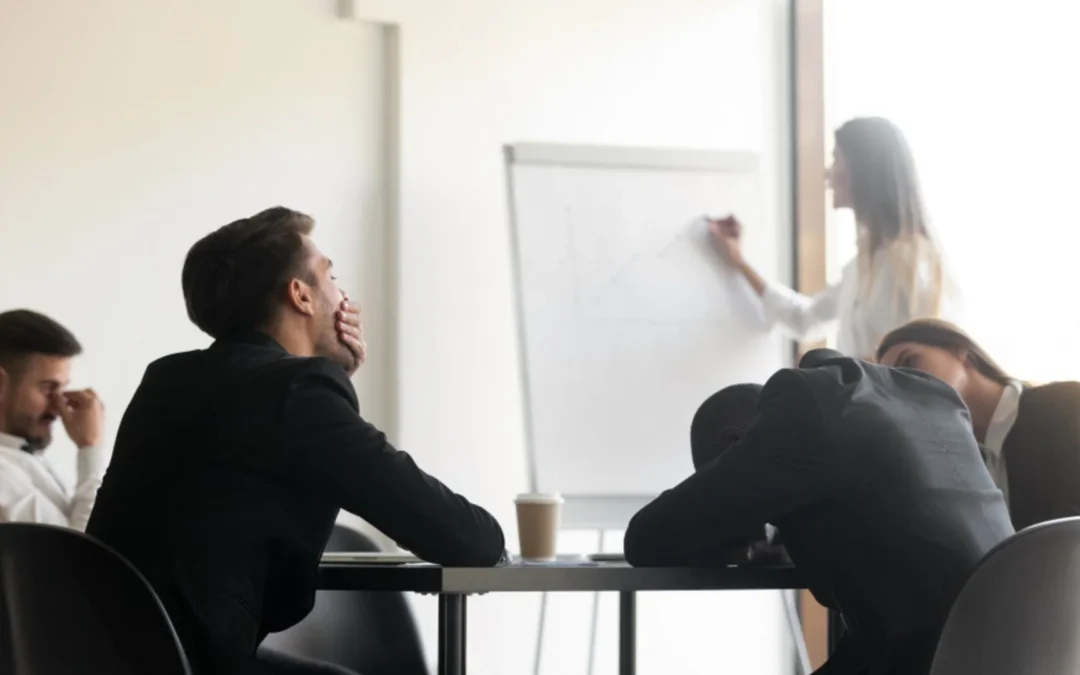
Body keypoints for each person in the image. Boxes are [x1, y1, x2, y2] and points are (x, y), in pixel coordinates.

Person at [86, 207, 507, 675]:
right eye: (331, 276)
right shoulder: (297, 392)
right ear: (301, 295)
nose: (344, 297)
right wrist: (324, 384)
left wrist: (330, 384)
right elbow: (468, 540)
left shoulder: (167, 379)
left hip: (98, 653)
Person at [624, 348, 1013, 675]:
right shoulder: (929, 398)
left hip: (931, 658)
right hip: (1019, 644)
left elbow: (647, 538)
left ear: (734, 444)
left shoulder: (799, 409)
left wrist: (731, 531)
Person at [709, 116, 948, 359]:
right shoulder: (861, 267)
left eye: (836, 160)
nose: (827, 174)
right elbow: (804, 319)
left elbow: (919, 362)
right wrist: (739, 262)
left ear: (863, 170)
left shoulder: (912, 264)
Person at [877, 318, 1080, 531]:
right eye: (893, 384)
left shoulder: (1066, 406)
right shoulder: (954, 465)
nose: (905, 384)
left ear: (958, 350)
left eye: (909, 362)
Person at [0, 309, 105, 530]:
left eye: (63, 388)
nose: (59, 405)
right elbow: (80, 548)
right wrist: (90, 448)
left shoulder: (25, 456)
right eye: (48, 388)